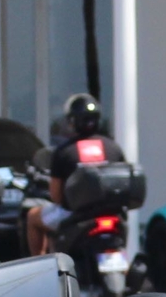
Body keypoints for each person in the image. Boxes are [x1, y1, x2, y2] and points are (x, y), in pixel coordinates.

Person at [26, 94, 127, 256]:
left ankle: (40, 266)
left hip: (74, 214)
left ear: (73, 121)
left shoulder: (64, 151)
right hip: (110, 212)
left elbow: (56, 196)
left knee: (32, 216)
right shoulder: (113, 147)